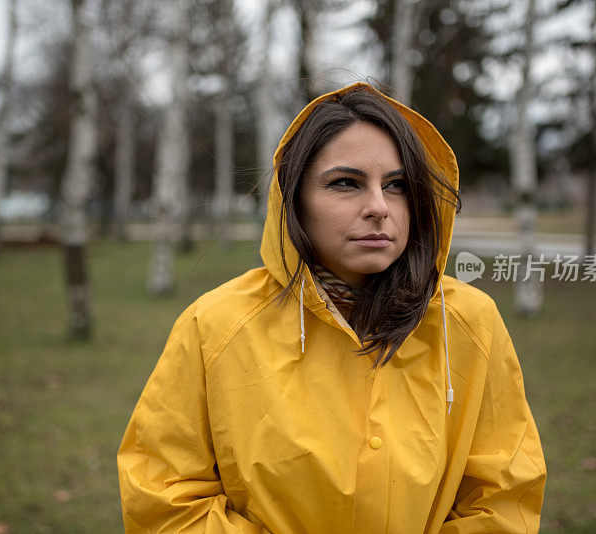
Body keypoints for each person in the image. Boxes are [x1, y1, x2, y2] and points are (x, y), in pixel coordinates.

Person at [117, 81, 547, 533]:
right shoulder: (215, 327)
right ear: (293, 199)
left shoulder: (469, 323)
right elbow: (163, 500)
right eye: (346, 183)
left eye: (397, 185)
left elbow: (504, 497)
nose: (379, 207)